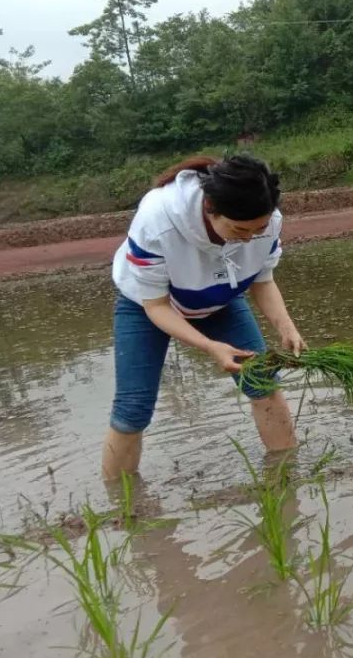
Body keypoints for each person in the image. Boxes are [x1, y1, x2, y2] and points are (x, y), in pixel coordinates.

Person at [102, 155, 305, 480]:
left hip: (220, 299)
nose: (249, 238)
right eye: (240, 230)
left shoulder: (266, 219)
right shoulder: (158, 218)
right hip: (148, 306)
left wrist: (287, 327)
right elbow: (156, 307)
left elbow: (262, 280)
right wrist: (210, 346)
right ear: (210, 208)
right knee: (132, 409)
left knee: (262, 383)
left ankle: (288, 478)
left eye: (259, 229)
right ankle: (117, 506)